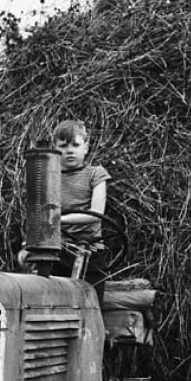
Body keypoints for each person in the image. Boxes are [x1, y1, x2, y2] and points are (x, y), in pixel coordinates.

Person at [51, 119, 111, 305]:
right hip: (58, 252)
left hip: (91, 252)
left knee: (91, 306)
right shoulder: (49, 178)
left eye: (75, 145)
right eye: (63, 146)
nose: (69, 151)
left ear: (86, 147)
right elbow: (42, 215)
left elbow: (95, 215)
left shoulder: (96, 174)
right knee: (53, 304)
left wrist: (58, 219)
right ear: (54, 150)